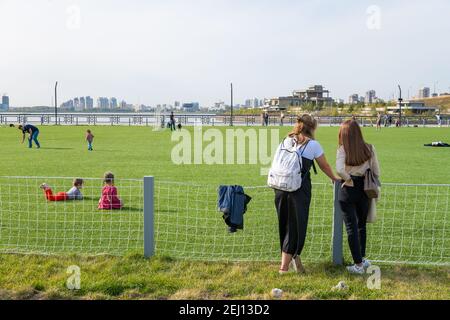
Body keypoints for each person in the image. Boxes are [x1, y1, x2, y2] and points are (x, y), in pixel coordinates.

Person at [275, 114, 339, 274]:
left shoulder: (286, 140)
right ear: (312, 127)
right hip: (298, 189)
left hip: (279, 187)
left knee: (284, 224)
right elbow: (324, 165)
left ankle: (296, 262)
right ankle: (283, 268)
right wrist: (334, 178)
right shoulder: (313, 145)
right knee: (296, 227)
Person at [336, 120, 380, 274]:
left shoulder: (343, 149)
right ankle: (362, 259)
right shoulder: (369, 148)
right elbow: (376, 171)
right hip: (365, 188)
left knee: (351, 227)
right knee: (361, 224)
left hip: (348, 189)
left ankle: (358, 265)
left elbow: (339, 169)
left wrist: (348, 179)